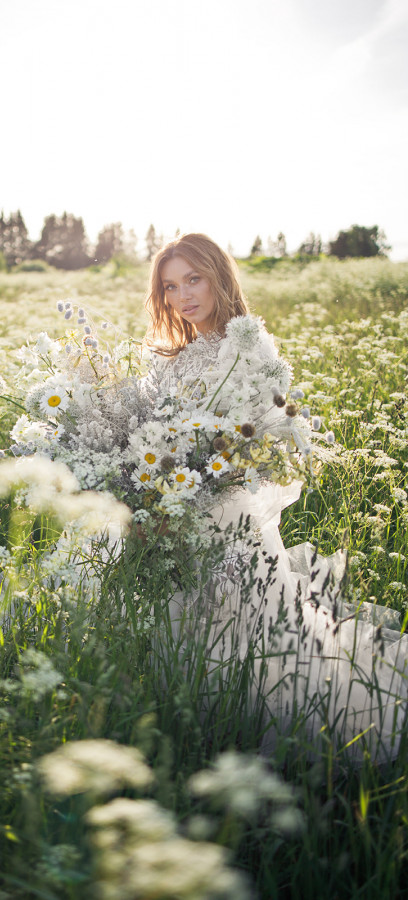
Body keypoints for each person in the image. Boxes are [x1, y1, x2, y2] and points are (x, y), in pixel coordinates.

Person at [142, 233, 407, 763]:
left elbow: (266, 434)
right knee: (173, 621)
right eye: (170, 286)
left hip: (227, 510)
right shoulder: (173, 358)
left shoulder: (250, 345)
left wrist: (210, 465)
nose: (183, 296)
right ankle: (180, 719)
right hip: (171, 509)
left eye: (193, 279)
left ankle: (247, 726)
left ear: (219, 275)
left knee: (248, 630)